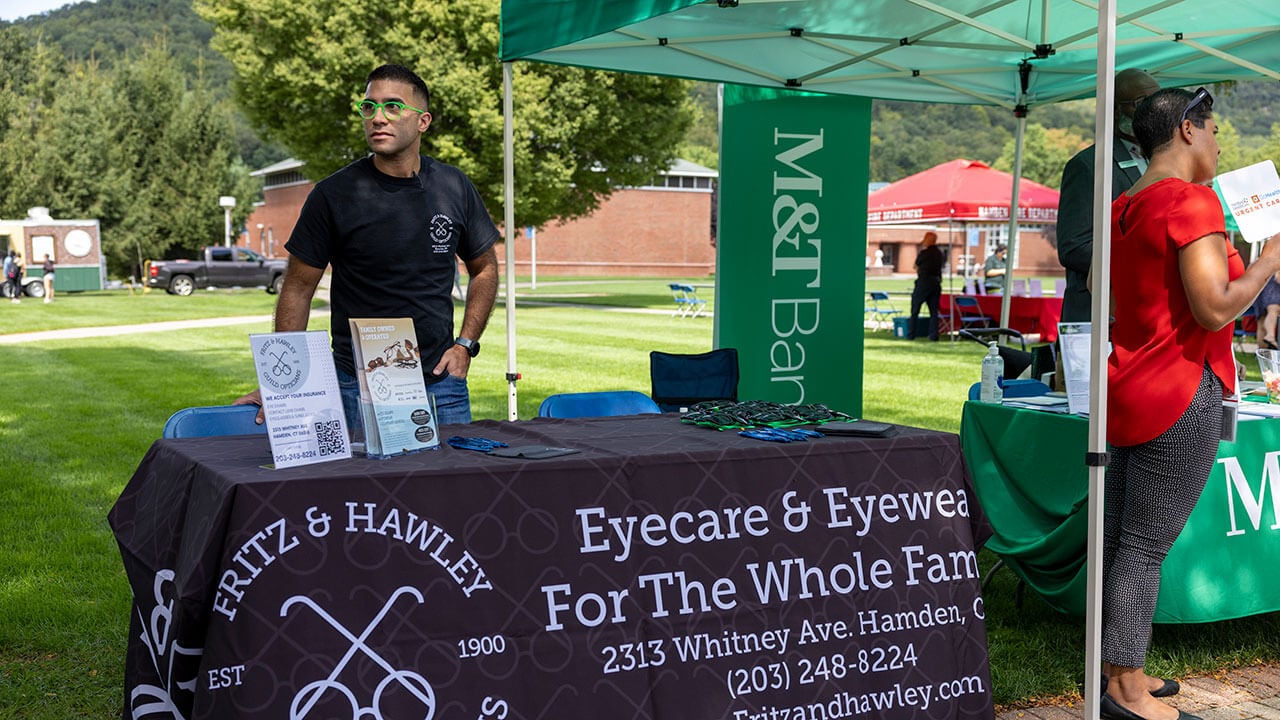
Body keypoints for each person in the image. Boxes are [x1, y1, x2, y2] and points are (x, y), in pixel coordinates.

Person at [1103, 86, 1280, 720]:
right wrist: (1269, 262)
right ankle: (1124, 687)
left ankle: (1121, 667)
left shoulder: (1125, 204)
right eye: (1213, 130)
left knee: (1120, 535)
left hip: (1127, 383)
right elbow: (1214, 307)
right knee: (1145, 546)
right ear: (1185, 130)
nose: (1219, 142)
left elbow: (1106, 287)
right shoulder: (1190, 200)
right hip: (1181, 387)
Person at [235, 64, 500, 428]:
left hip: (440, 383)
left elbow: (484, 268)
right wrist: (282, 385)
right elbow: (297, 288)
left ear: (422, 121)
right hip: (356, 386)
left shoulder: (454, 187)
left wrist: (465, 345)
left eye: (392, 106)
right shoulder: (333, 195)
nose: (378, 117)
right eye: (369, 107)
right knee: (362, 487)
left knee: (449, 484)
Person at [1057, 69, 1162, 323]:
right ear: (1115, 110)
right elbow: (1074, 246)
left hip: (1146, 312)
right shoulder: (1088, 165)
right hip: (1097, 314)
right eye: (1142, 103)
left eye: (1157, 101)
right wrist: (1144, 263)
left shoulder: (1159, 161)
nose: (1154, 110)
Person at [907, 230, 943, 341]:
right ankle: (933, 335)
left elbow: (915, 266)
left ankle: (911, 334)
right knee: (933, 312)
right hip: (935, 283)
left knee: (915, 310)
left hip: (923, 283)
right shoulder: (939, 254)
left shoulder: (924, 253)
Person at [1253, 274, 1280, 349]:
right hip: (1271, 284)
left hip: (1260, 282)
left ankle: (1263, 357)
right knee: (1273, 309)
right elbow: (1278, 278)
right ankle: (1270, 336)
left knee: (1261, 321)